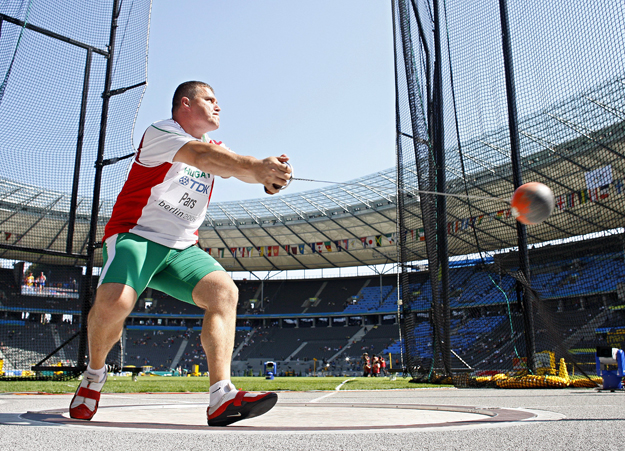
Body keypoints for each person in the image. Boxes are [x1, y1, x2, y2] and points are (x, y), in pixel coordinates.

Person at [69, 81, 291, 426]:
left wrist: (268, 176)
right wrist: (256, 167)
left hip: (181, 247)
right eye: (210, 99)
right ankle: (94, 375)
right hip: (136, 236)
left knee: (224, 292)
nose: (218, 106)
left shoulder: (215, 147)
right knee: (116, 304)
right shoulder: (161, 132)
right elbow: (204, 158)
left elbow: (230, 166)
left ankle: (221, 396)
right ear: (185, 104)